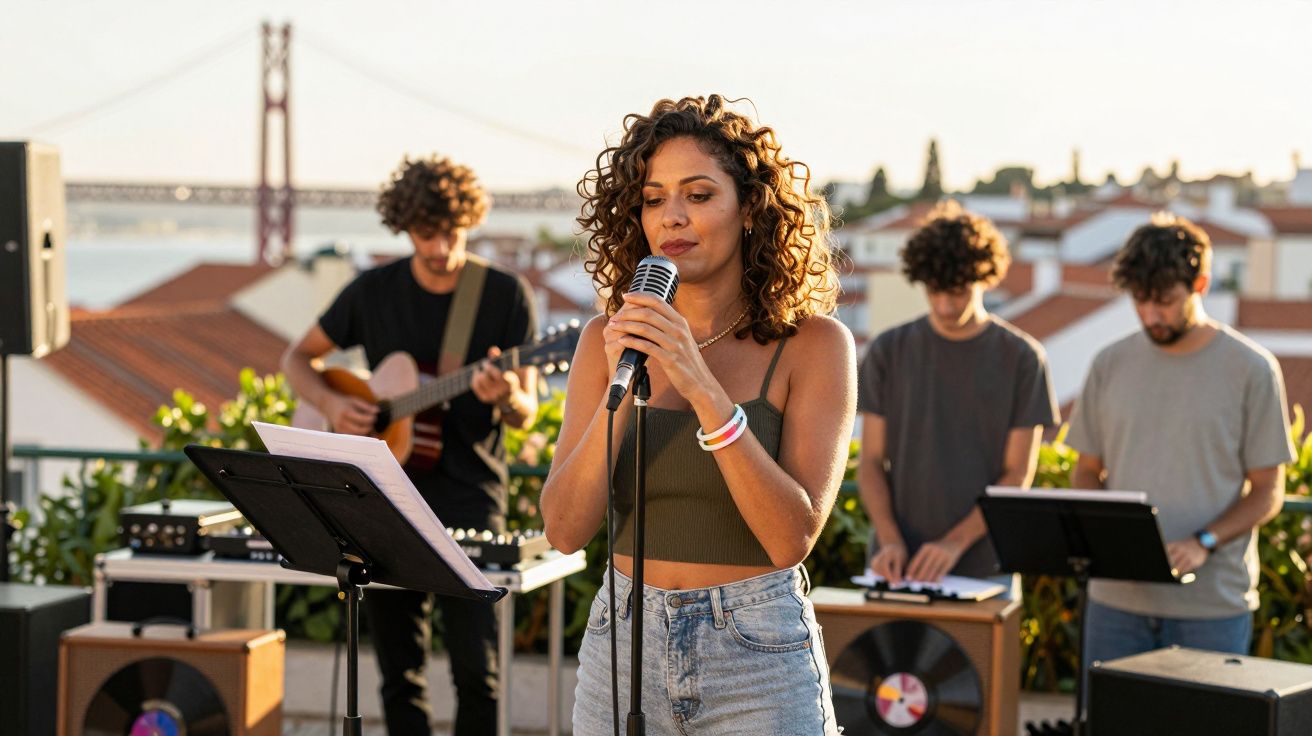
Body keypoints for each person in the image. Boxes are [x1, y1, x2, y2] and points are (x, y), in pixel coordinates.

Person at [539, 95, 854, 735]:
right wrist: (624, 386)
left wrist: (701, 384)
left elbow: (791, 536)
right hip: (620, 646)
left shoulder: (814, 345)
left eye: (699, 194)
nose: (672, 216)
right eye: (654, 199)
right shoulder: (607, 340)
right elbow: (564, 529)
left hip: (756, 658)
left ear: (750, 210)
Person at [282, 154, 539, 736]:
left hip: (471, 499)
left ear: (470, 221)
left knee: (479, 671)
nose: (441, 246)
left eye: (453, 231)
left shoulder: (502, 295)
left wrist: (503, 396)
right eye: (427, 233)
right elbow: (297, 358)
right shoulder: (372, 291)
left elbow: (524, 412)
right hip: (383, 497)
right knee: (400, 670)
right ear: (404, 227)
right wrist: (331, 405)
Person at [1067, 213, 1295, 674]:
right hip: (1116, 602)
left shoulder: (1251, 369)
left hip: (1211, 609)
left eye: (1166, 301)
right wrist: (1107, 538)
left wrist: (1203, 541)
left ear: (1202, 284)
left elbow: (1268, 489)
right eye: (1141, 301)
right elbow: (1086, 469)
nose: (1152, 315)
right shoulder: (1109, 364)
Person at [858, 203, 1059, 594]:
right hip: (896, 564)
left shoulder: (1022, 358)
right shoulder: (887, 350)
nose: (946, 306)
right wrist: (890, 538)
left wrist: (954, 542)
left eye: (958, 292)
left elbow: (1017, 474)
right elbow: (869, 461)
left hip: (986, 568)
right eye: (936, 292)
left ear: (984, 279)